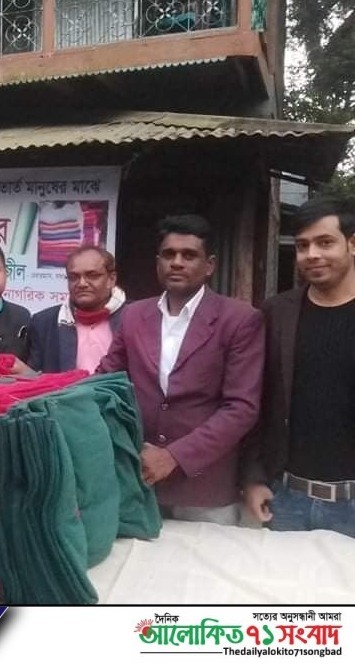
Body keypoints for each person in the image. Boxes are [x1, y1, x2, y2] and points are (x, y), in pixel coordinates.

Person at [242, 197, 355, 543]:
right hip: (285, 500)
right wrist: (253, 477)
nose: (311, 254)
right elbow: (256, 400)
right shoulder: (276, 313)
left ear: (354, 244)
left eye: (325, 242)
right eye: (302, 246)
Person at [99, 215, 264, 525]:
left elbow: (241, 408)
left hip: (204, 488)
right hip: (139, 479)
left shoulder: (239, 319)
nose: (176, 262)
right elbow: (105, 381)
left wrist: (174, 456)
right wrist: (42, 386)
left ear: (209, 265)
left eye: (189, 255)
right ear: (157, 262)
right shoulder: (134, 315)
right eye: (169, 254)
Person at [27, 245, 127, 373]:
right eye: (73, 277)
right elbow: (34, 376)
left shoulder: (134, 318)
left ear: (111, 279)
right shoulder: (45, 323)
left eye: (92, 276)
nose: (82, 284)